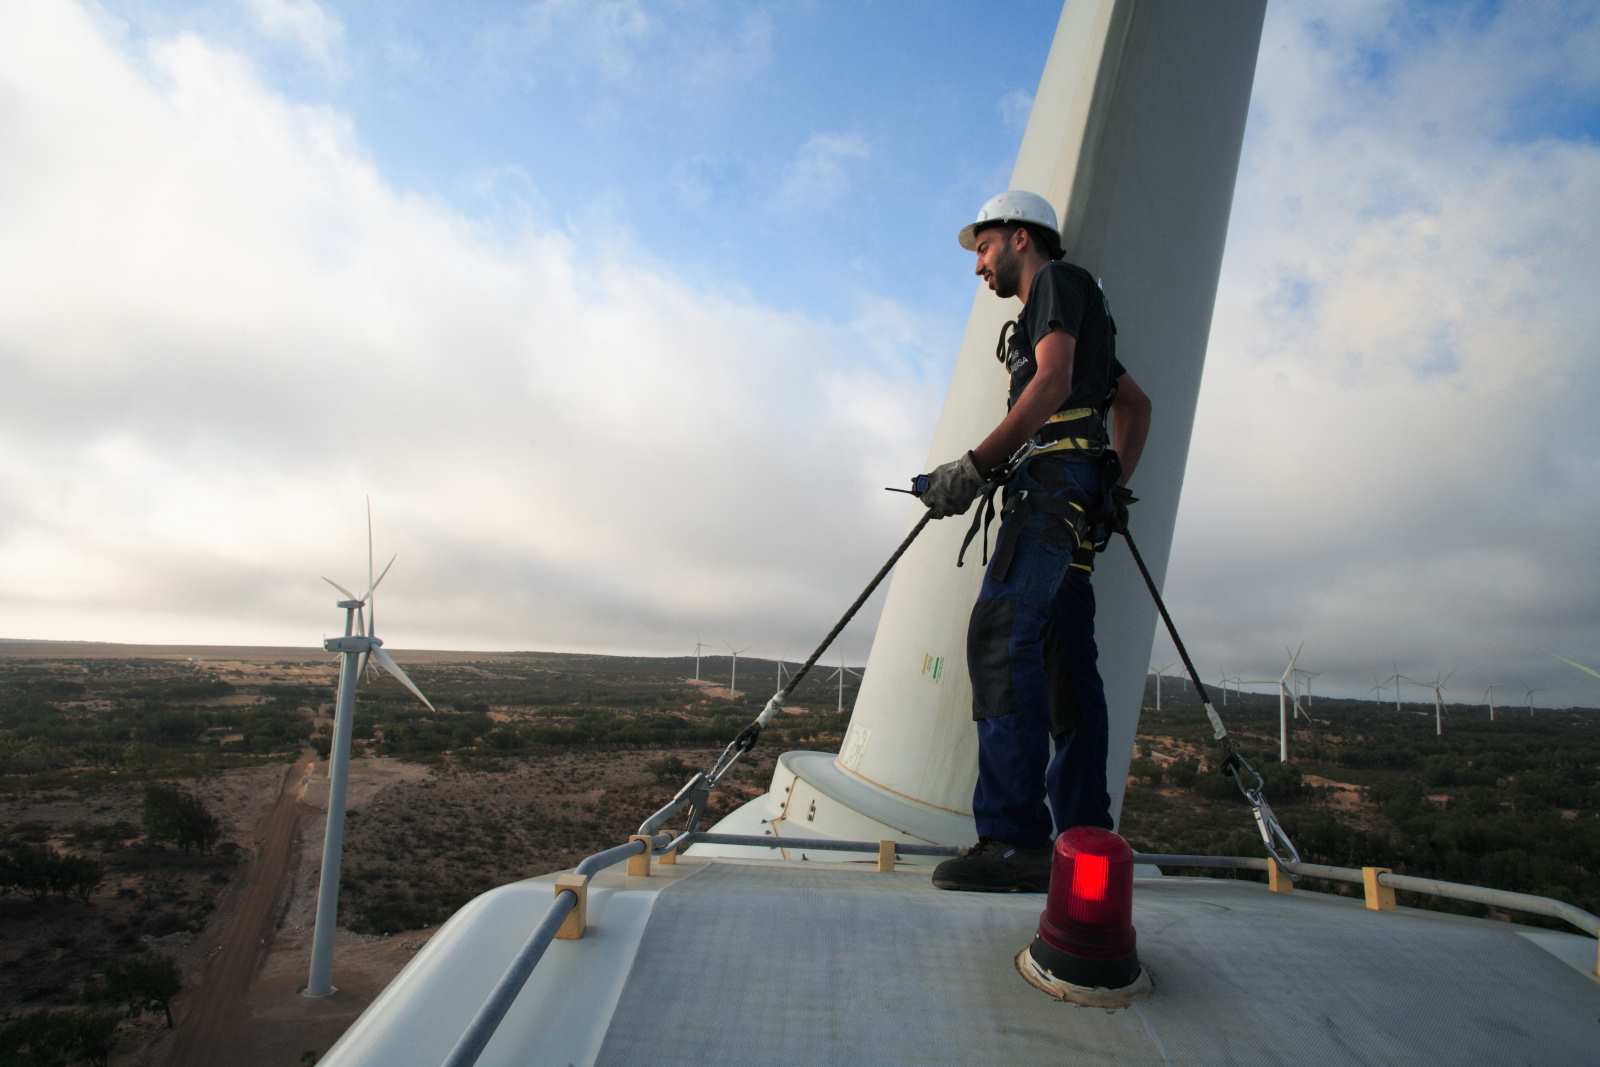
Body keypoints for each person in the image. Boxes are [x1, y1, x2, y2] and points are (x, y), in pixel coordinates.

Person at [919, 190, 1153, 893]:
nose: (978, 266)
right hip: (1074, 497)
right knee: (1065, 662)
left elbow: (1051, 384)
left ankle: (1015, 838)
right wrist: (1111, 480)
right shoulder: (1082, 309)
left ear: (1022, 237)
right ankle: (1085, 838)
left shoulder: (1054, 285)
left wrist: (975, 467)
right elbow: (1134, 404)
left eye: (984, 248)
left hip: (1049, 492)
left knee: (1001, 632)